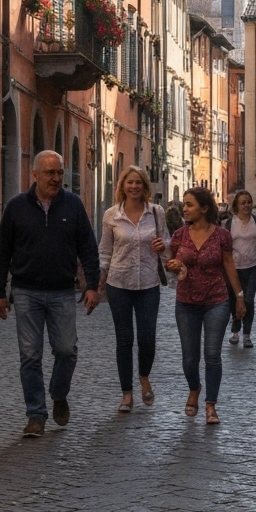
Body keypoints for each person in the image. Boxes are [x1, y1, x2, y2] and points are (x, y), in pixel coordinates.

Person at [0, 150, 100, 437]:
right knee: (30, 355)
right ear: (35, 174)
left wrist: (92, 285)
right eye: (50, 173)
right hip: (26, 291)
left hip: (63, 291)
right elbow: (2, 251)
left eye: (59, 173)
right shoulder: (16, 207)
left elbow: (88, 248)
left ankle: (58, 392)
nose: (55, 178)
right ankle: (36, 415)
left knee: (67, 350)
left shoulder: (73, 205)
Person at [165, 187, 246, 425]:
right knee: (189, 358)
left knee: (212, 354)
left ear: (204, 208)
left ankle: (211, 404)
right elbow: (173, 264)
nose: (185, 209)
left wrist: (239, 296)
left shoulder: (222, 236)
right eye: (184, 205)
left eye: (189, 205)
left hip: (216, 301)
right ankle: (194, 388)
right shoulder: (180, 235)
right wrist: (174, 266)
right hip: (186, 302)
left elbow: (229, 265)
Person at [98, 166, 168, 414]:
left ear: (145, 186)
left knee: (147, 338)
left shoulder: (157, 213)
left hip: (149, 283)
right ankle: (126, 393)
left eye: (138, 183)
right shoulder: (111, 216)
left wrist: (163, 245)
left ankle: (144, 377)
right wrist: (99, 279)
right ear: (123, 186)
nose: (134, 187)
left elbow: (168, 245)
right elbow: (105, 250)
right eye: (130, 183)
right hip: (119, 283)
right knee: (124, 340)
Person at [224, 191, 256, 348]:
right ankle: (236, 329)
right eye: (243, 202)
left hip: (252, 267)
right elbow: (224, 248)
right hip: (234, 269)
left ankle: (246, 334)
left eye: (249, 202)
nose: (246, 205)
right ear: (236, 205)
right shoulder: (229, 224)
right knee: (234, 300)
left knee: (248, 300)